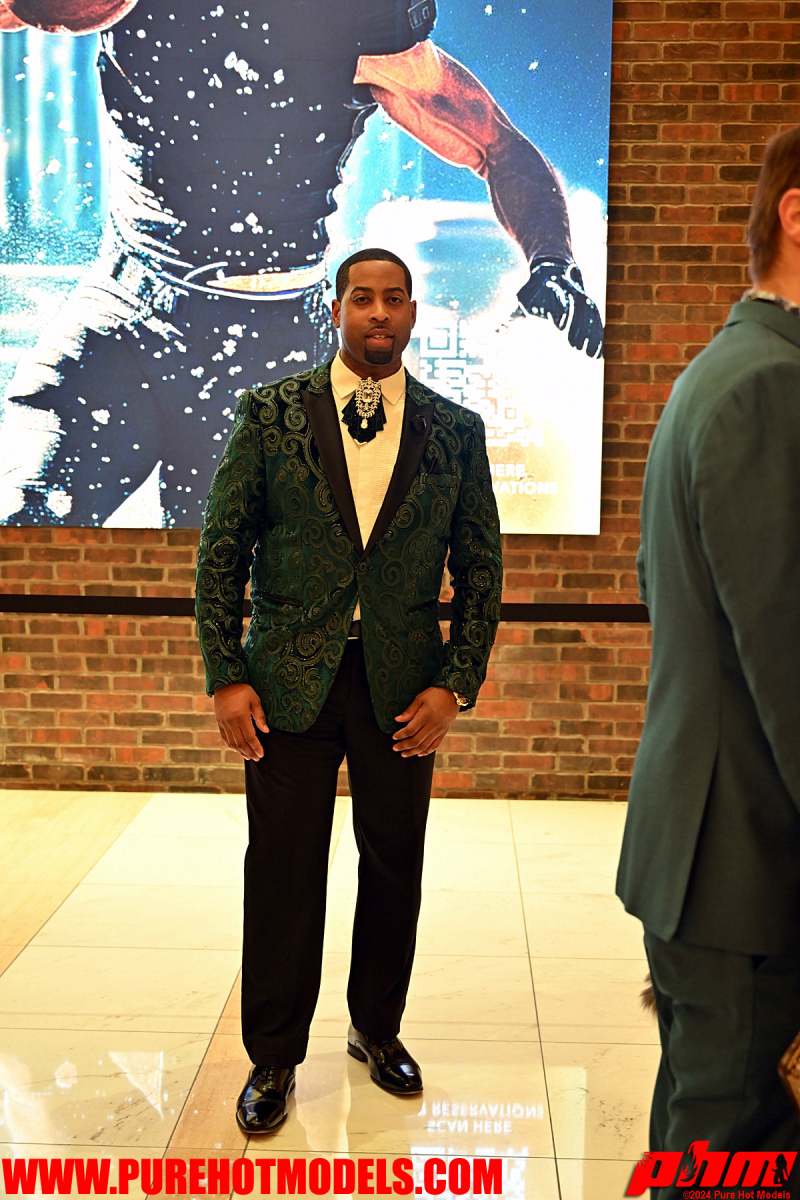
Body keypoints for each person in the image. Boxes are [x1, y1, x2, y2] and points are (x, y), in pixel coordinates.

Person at [0, 0, 603, 529]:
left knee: (224, 594)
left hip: (269, 350)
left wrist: (552, 261)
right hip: (124, 311)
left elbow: (495, 144)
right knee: (20, 516)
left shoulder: (357, 24)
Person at [195, 247, 502, 1133]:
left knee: (394, 865)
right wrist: (226, 675)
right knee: (283, 870)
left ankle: (376, 1027)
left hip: (403, 687)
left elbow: (482, 569)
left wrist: (456, 685)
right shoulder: (269, 413)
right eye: (361, 298)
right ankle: (274, 1055)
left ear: (412, 314)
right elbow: (222, 551)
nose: (378, 312)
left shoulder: (455, 429)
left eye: (393, 299)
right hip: (286, 682)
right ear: (336, 311)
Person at [616, 125, 800, 1189]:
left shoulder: (721, 372)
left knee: (701, 1134)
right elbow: (786, 658)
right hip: (744, 863)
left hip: (709, 851)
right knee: (728, 1151)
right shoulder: (768, 386)